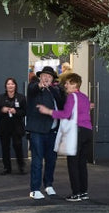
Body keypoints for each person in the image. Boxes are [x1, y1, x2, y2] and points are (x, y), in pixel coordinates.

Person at [38, 73, 93, 202]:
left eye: (67, 83)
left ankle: (75, 193)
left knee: (73, 163)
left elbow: (66, 114)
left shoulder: (72, 97)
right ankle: (83, 192)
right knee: (82, 163)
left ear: (74, 84)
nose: (65, 85)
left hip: (76, 131)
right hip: (88, 131)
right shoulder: (84, 97)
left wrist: (48, 111)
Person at [25, 66, 65, 200]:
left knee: (51, 160)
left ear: (53, 78)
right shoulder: (34, 88)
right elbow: (33, 89)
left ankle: (48, 184)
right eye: (44, 75)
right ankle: (35, 189)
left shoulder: (55, 90)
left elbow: (63, 105)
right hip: (37, 131)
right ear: (40, 77)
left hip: (53, 131)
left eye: (49, 76)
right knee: (37, 160)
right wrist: (40, 86)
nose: (47, 78)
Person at [0, 77, 27, 175]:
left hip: (17, 126)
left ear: (15, 86)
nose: (10, 86)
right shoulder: (0, 98)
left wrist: (16, 111)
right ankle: (7, 168)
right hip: (4, 126)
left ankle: (21, 166)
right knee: (5, 147)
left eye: (12, 84)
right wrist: (2, 110)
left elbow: (25, 112)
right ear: (5, 86)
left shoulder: (21, 97)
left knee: (18, 146)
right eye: (8, 84)